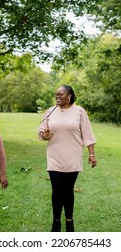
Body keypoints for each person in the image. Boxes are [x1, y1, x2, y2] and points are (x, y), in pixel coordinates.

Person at [38, 85, 97, 232]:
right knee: (56, 190)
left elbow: (87, 133)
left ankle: (69, 222)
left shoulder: (79, 111)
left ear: (69, 96)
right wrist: (44, 135)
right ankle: (56, 222)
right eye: (56, 94)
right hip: (54, 156)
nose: (57, 97)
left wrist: (91, 154)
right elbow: (41, 131)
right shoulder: (50, 111)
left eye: (61, 94)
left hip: (72, 157)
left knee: (68, 190)